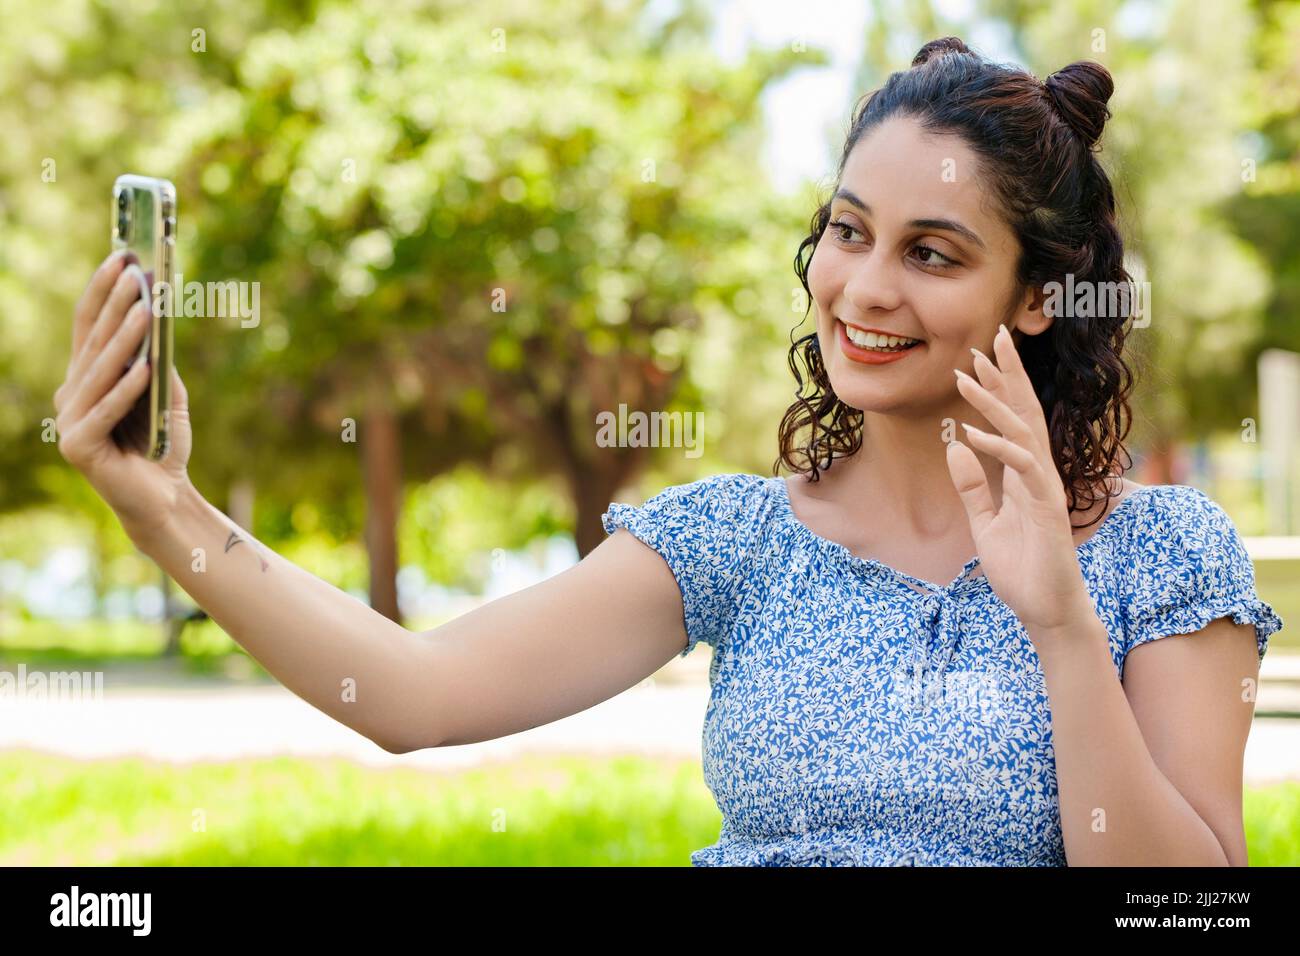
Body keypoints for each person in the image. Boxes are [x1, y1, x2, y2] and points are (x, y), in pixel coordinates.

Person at [54, 36, 1283, 867]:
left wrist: (1061, 623)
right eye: (847, 231)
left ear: (1034, 298)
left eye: (933, 252)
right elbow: (414, 697)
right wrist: (165, 508)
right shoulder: (737, 540)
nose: (863, 285)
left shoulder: (1160, 553)